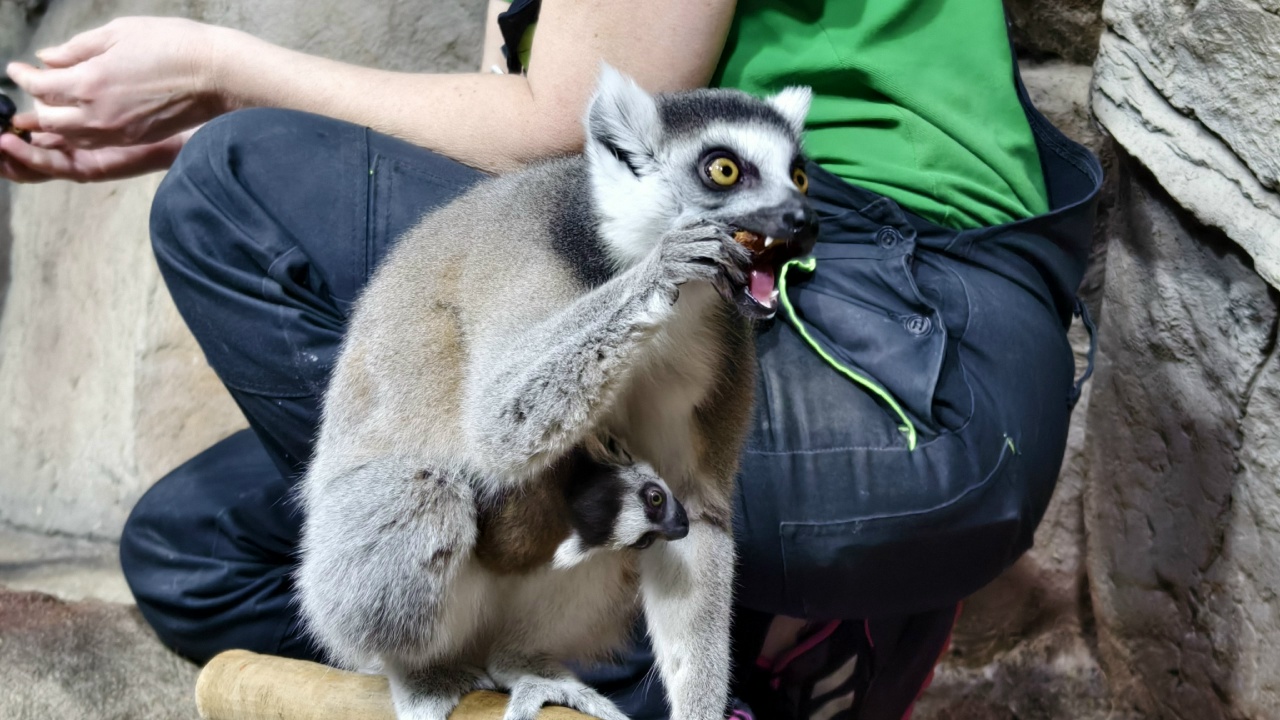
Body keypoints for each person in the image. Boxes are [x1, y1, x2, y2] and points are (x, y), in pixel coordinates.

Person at [0, 2, 1101, 718]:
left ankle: (628, 685)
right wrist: (203, 116)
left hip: (878, 353)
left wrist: (221, 71)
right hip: (693, 313)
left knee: (237, 192)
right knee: (197, 552)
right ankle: (755, 659)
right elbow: (509, 175)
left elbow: (543, 135)